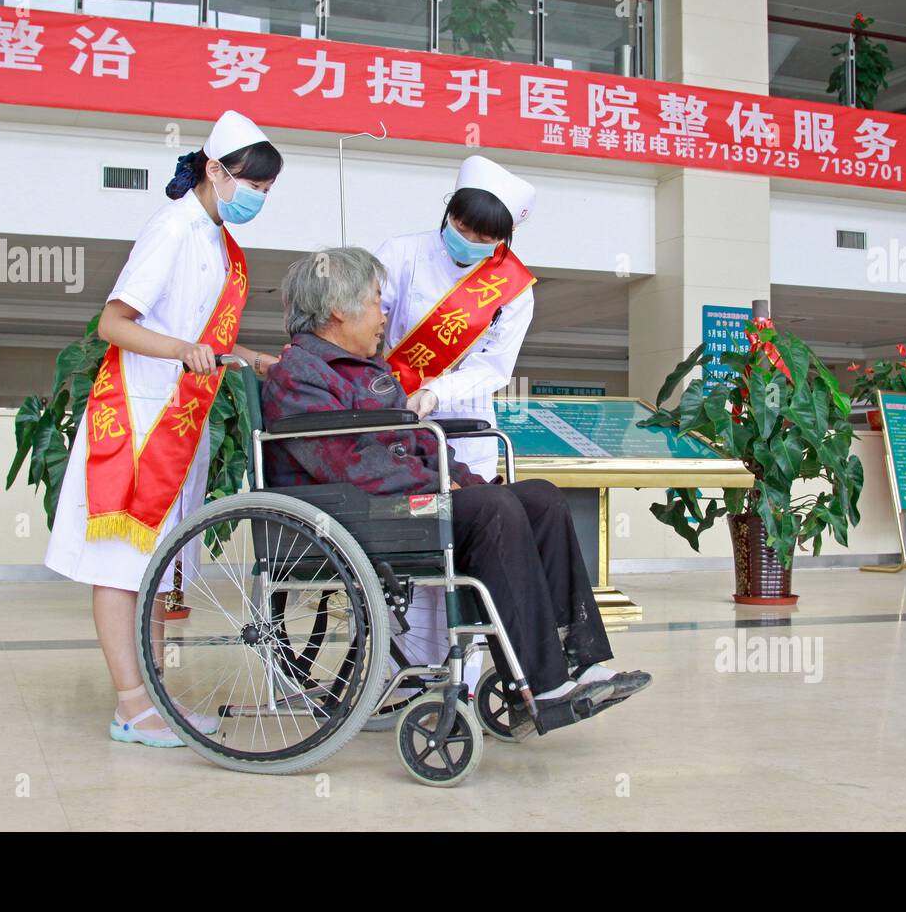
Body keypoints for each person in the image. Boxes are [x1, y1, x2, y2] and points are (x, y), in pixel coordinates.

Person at [261, 246, 651, 722]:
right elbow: (349, 464)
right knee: (492, 510)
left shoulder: (370, 370)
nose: (383, 313)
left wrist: (460, 478)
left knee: (540, 498)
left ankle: (578, 660)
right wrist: (446, 489)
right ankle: (542, 687)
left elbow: (416, 445)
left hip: (395, 503)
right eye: (375, 300)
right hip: (353, 515)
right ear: (339, 310)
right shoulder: (297, 375)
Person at [45, 110, 283, 747]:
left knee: (152, 575)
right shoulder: (172, 228)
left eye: (267, 190)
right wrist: (181, 349)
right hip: (138, 423)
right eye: (252, 186)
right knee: (121, 569)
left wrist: (249, 357)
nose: (258, 198)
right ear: (213, 170)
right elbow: (114, 325)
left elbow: (200, 340)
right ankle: (130, 704)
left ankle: (149, 700)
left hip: (180, 424)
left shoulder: (218, 243)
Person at [374, 155, 537, 680]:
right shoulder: (401, 254)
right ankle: (413, 670)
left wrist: (437, 391)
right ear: (448, 212)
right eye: (460, 227)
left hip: (467, 435)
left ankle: (463, 677)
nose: (464, 240)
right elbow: (367, 326)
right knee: (419, 555)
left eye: (481, 237)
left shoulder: (513, 289)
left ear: (503, 241)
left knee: (467, 552)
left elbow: (495, 367)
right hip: (397, 427)